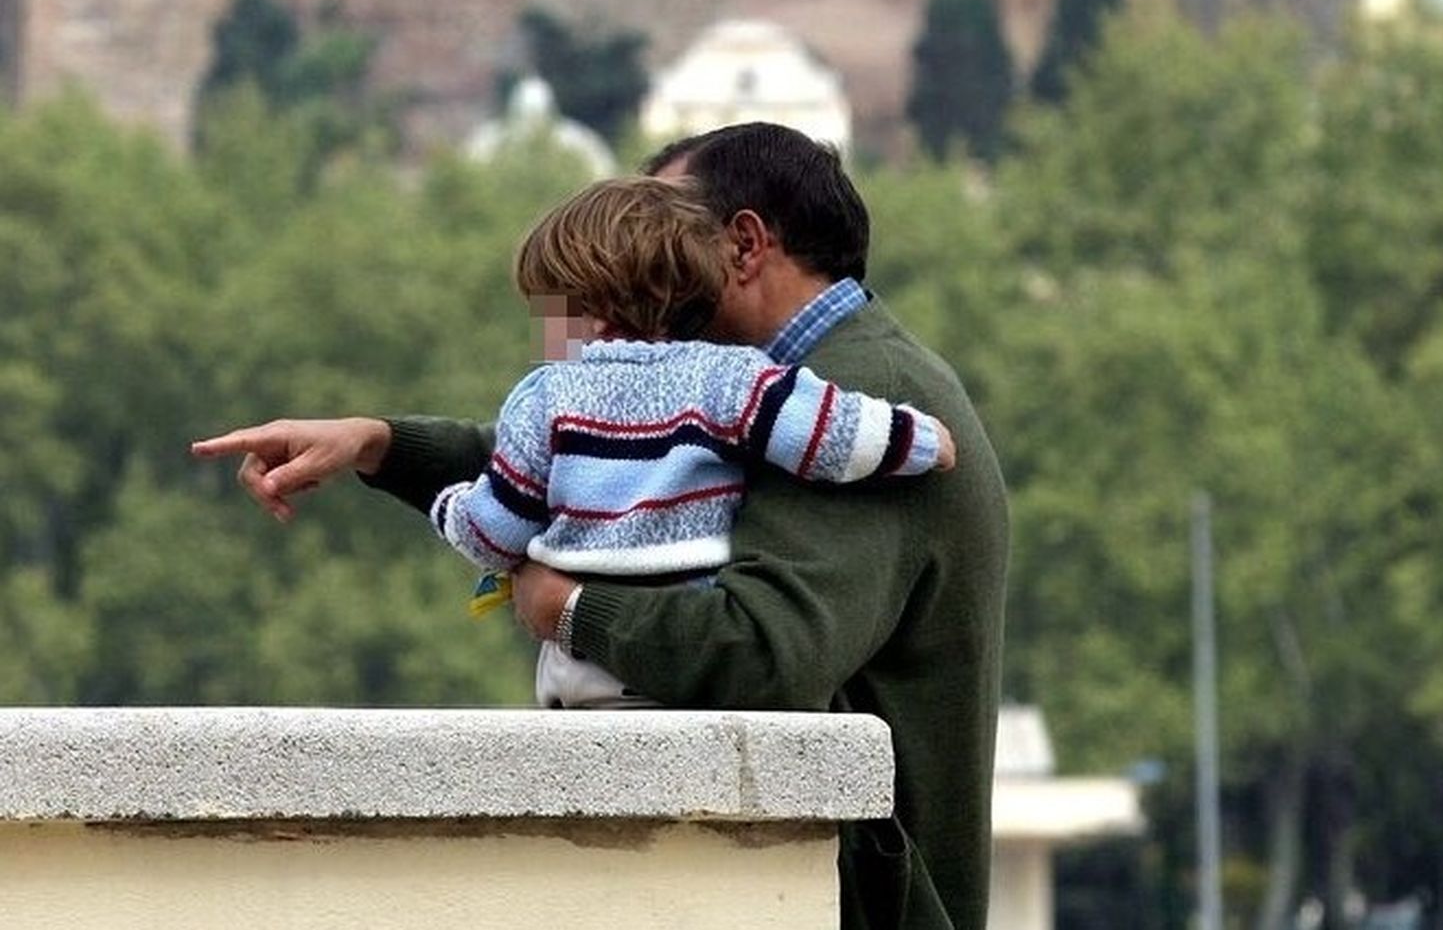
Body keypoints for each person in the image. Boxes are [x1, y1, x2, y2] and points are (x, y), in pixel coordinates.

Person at [192, 122, 1009, 930]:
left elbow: (767, 651)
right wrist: (380, 445)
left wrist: (571, 607)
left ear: (744, 245)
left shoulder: (856, 394)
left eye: (663, 231)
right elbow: (587, 463)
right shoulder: (771, 388)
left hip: (859, 899)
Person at [434, 175, 954, 708]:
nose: (541, 331)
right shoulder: (730, 377)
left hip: (580, 668)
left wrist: (449, 508)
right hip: (679, 654)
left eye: (545, 311)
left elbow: (495, 532)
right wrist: (920, 439)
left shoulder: (545, 395)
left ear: (584, 309)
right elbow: (830, 434)